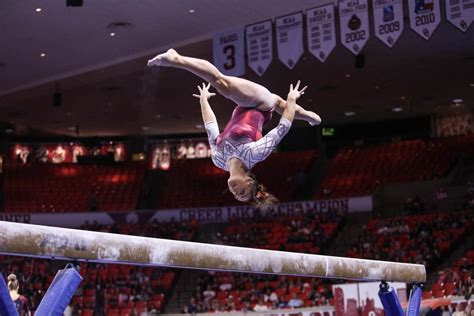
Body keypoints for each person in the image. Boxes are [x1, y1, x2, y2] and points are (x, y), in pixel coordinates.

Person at [148, 49, 321, 208]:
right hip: (260, 105)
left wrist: (204, 101)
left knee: (278, 103)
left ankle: (310, 117)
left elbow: (211, 129)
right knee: (222, 83)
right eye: (242, 192)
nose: (235, 192)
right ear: (249, 181)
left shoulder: (218, 160)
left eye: (236, 195)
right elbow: (283, 127)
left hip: (247, 103)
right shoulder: (255, 154)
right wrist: (292, 99)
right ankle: (175, 58)